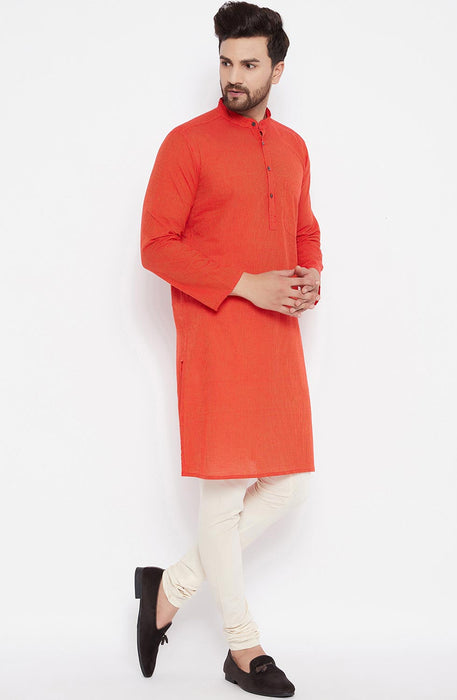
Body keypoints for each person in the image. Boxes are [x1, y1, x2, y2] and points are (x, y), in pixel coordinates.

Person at [135, 2, 323, 696]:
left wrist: (311, 275)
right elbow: (156, 246)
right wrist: (247, 284)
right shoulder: (186, 144)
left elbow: (304, 227)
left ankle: (169, 588)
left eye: (248, 64)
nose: (233, 76)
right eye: (225, 62)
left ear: (277, 69)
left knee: (290, 485)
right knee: (222, 496)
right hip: (215, 336)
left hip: (276, 339)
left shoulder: (293, 146)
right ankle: (244, 648)